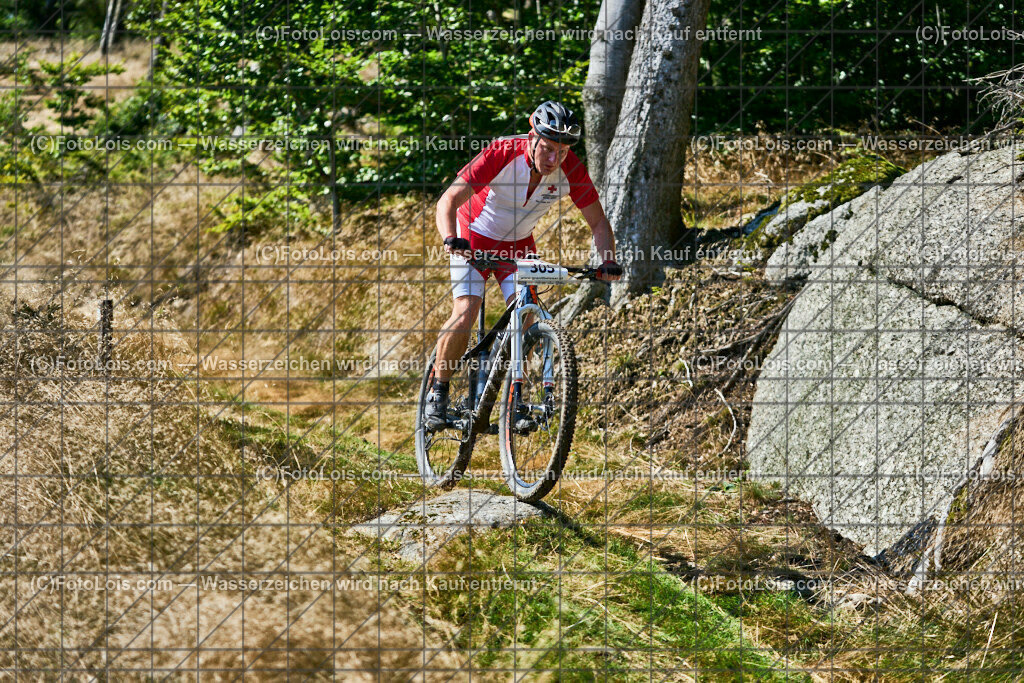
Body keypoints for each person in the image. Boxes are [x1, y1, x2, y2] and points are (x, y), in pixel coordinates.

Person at [424, 100, 622, 428]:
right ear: (532, 137)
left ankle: (515, 400)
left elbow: (599, 223)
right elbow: (447, 200)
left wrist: (608, 261)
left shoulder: (571, 168)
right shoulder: (502, 152)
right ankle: (438, 394)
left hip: (518, 247)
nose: (552, 159)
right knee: (466, 311)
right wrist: (450, 238)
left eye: (560, 151)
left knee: (527, 317)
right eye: (546, 148)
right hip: (472, 235)